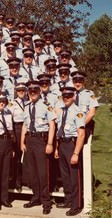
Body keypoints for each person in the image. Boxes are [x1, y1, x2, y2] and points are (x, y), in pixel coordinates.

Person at [21, 80, 56, 215]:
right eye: (30, 91)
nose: (33, 93)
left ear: (39, 91)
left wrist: (50, 143)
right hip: (30, 139)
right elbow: (25, 124)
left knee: (42, 172)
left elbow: (52, 125)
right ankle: (35, 198)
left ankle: (46, 201)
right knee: (33, 172)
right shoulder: (27, 106)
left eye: (35, 91)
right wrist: (22, 142)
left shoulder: (46, 106)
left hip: (42, 140)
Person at [55, 87, 86, 216]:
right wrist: (57, 148)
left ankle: (76, 204)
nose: (66, 98)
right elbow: (59, 130)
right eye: (64, 96)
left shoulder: (78, 112)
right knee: (65, 176)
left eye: (69, 95)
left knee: (74, 177)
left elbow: (81, 134)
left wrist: (76, 153)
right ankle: (68, 200)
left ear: (73, 96)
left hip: (71, 145)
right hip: (62, 144)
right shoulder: (62, 111)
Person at [8, 82, 27, 191]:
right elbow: (9, 120)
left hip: (27, 129)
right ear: (16, 92)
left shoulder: (28, 102)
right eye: (19, 90)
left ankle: (27, 180)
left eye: (23, 90)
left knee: (27, 157)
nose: (21, 92)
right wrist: (13, 135)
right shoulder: (12, 104)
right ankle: (17, 181)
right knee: (17, 157)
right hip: (17, 129)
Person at [71, 71, 99, 142]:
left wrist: (80, 125)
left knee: (84, 150)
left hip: (85, 127)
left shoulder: (89, 94)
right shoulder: (69, 94)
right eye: (75, 81)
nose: (77, 84)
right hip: (71, 127)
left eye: (80, 81)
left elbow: (92, 112)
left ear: (83, 82)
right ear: (72, 82)